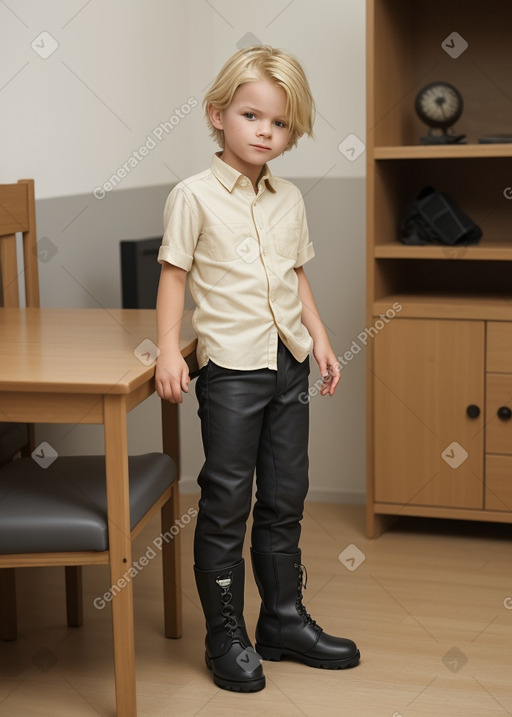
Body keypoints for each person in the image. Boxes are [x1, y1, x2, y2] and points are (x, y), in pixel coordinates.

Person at [155, 45, 360, 693]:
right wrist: (166, 347)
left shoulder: (287, 198)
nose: (266, 132)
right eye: (252, 116)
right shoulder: (191, 197)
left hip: (287, 366)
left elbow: (294, 274)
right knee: (225, 503)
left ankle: (283, 618)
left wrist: (321, 337)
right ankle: (226, 633)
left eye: (280, 124)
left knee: (284, 497)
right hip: (232, 373)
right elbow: (173, 275)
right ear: (218, 115)